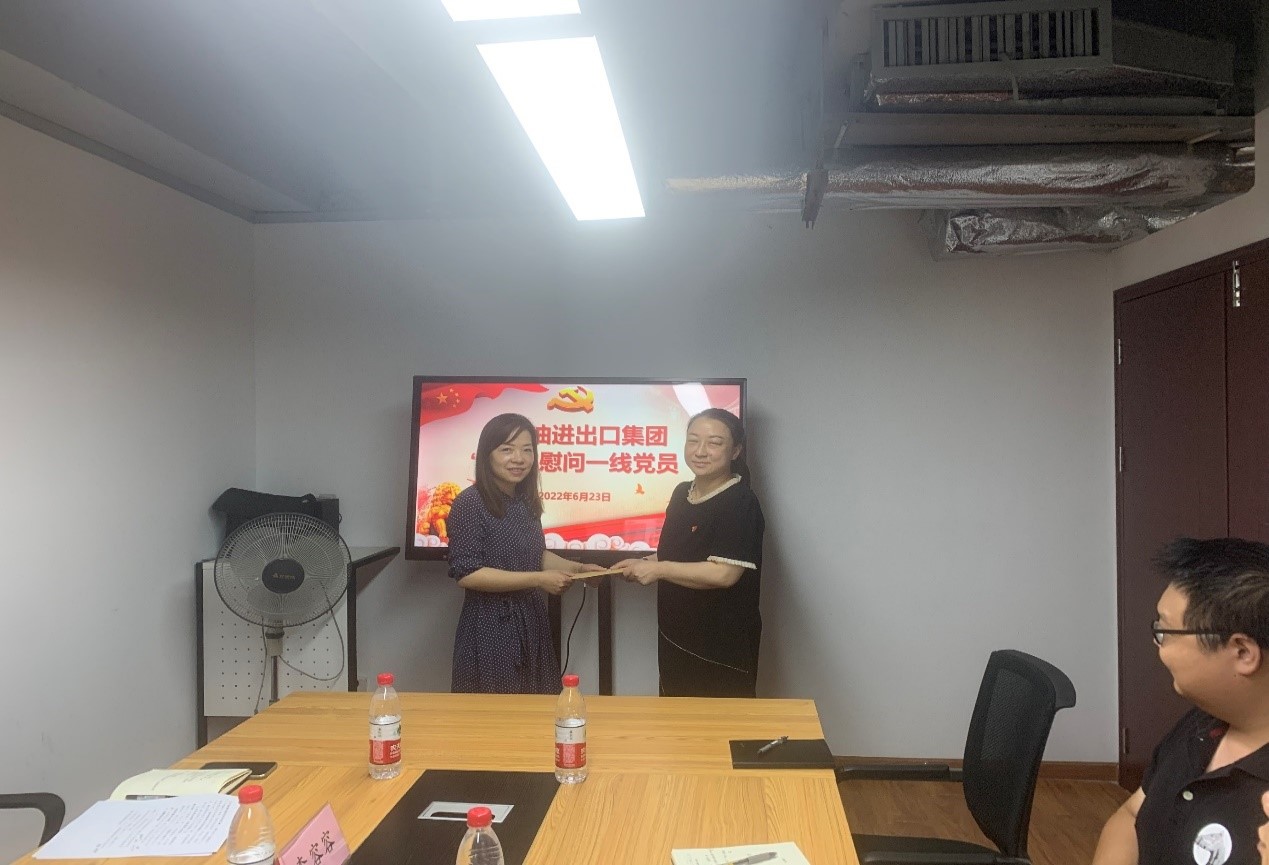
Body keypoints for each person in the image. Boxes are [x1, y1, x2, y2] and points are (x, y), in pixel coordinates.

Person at [1093, 537, 1269, 865]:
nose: (1158, 644)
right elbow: (1132, 814)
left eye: (1166, 632)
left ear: (1243, 652)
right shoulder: (1202, 724)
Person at [615, 408, 765, 697]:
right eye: (693, 440)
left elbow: (724, 573)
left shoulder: (740, 501)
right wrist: (641, 563)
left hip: (721, 646)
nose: (701, 451)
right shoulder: (682, 493)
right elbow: (675, 554)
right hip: (675, 637)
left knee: (718, 721)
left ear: (735, 451)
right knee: (675, 716)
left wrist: (658, 570)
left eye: (714, 442)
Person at [447, 413, 602, 694]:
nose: (519, 459)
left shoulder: (525, 501)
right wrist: (538, 580)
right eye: (507, 449)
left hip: (531, 618)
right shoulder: (469, 502)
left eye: (527, 450)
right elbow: (468, 573)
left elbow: (534, 555)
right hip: (489, 625)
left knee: (537, 708)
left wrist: (579, 570)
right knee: (496, 712)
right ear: (487, 454)